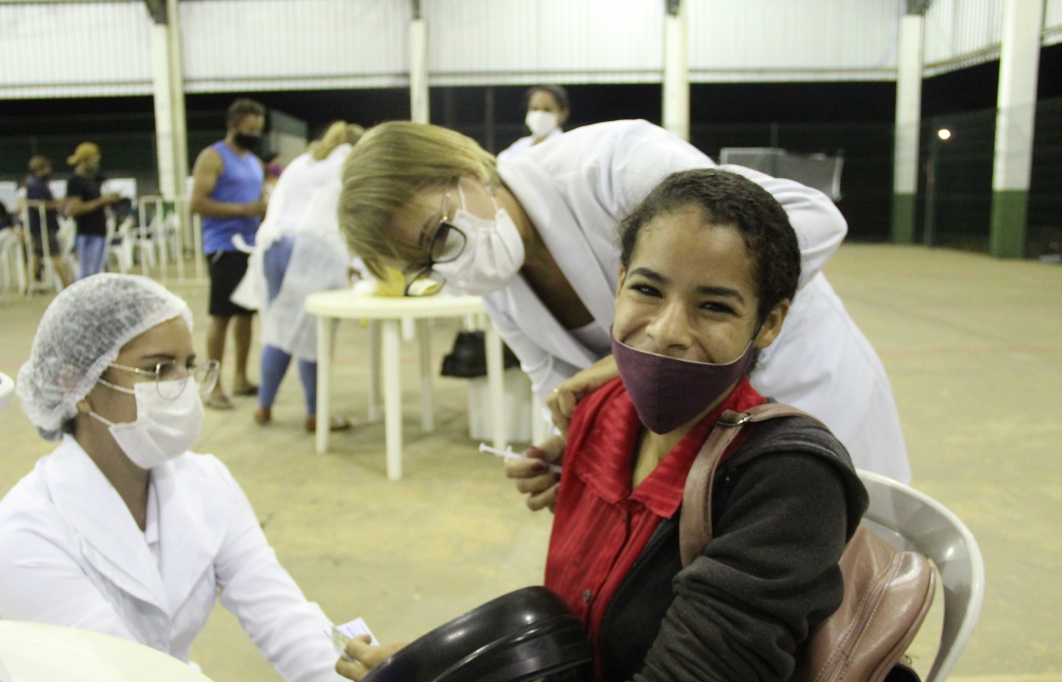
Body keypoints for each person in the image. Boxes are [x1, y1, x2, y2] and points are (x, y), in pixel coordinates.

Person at [339, 169, 868, 682]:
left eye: (714, 306)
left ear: (769, 322)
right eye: (647, 289)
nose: (667, 329)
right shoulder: (601, 416)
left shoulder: (787, 483)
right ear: (618, 284)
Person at [338, 119, 911, 486]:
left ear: (466, 174)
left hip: (803, 386)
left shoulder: (612, 166)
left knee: (851, 589)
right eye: (426, 267)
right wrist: (568, 450)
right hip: (705, 443)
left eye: (439, 236)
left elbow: (813, 220)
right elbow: (562, 386)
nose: (450, 265)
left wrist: (630, 360)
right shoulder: (498, 283)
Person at [0, 274, 352, 682]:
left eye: (189, 365)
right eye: (158, 369)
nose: (182, 386)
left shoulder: (205, 483)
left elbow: (284, 617)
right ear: (78, 388)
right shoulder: (25, 534)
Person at [242, 121, 364, 430]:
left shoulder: (302, 162)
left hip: (274, 245)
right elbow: (349, 215)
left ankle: (264, 406)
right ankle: (315, 414)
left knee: (280, 327)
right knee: (313, 331)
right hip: (312, 250)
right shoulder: (348, 162)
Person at [191, 98, 269, 408]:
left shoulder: (253, 162)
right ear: (233, 126)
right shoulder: (212, 157)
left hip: (251, 246)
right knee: (221, 317)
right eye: (249, 129)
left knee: (246, 315)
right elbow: (197, 203)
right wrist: (243, 210)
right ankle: (213, 386)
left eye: (258, 130)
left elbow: (258, 201)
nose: (254, 135)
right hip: (223, 246)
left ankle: (240, 378)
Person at [65, 142, 121, 279]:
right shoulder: (75, 182)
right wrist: (101, 201)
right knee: (87, 276)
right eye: (95, 160)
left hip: (98, 232)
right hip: (87, 234)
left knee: (96, 274)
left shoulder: (90, 181)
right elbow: (75, 208)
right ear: (86, 160)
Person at [25, 155, 71, 288]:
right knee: (56, 255)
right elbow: (40, 204)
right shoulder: (36, 185)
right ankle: (67, 285)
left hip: (39, 227)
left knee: (36, 255)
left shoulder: (36, 183)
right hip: (43, 227)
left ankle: (28, 285)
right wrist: (58, 203)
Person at [497, 85, 569, 161]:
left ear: (563, 114)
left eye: (547, 109)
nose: (540, 114)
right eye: (535, 108)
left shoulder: (565, 146)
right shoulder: (520, 145)